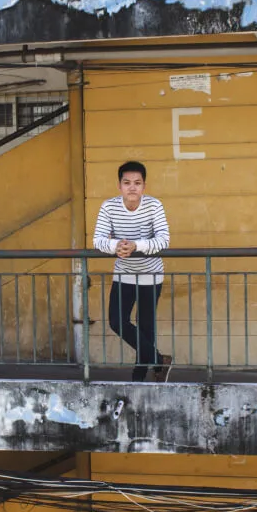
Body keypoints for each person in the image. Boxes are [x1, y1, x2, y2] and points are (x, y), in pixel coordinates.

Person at [93, 161, 172, 382]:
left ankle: (138, 380)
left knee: (146, 328)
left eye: (137, 183)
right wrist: (115, 246)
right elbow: (98, 239)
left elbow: (163, 240)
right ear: (119, 186)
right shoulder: (109, 207)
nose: (132, 188)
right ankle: (158, 361)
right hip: (124, 274)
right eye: (127, 183)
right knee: (117, 321)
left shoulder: (154, 205)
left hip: (151, 274)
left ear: (144, 186)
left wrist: (136, 245)